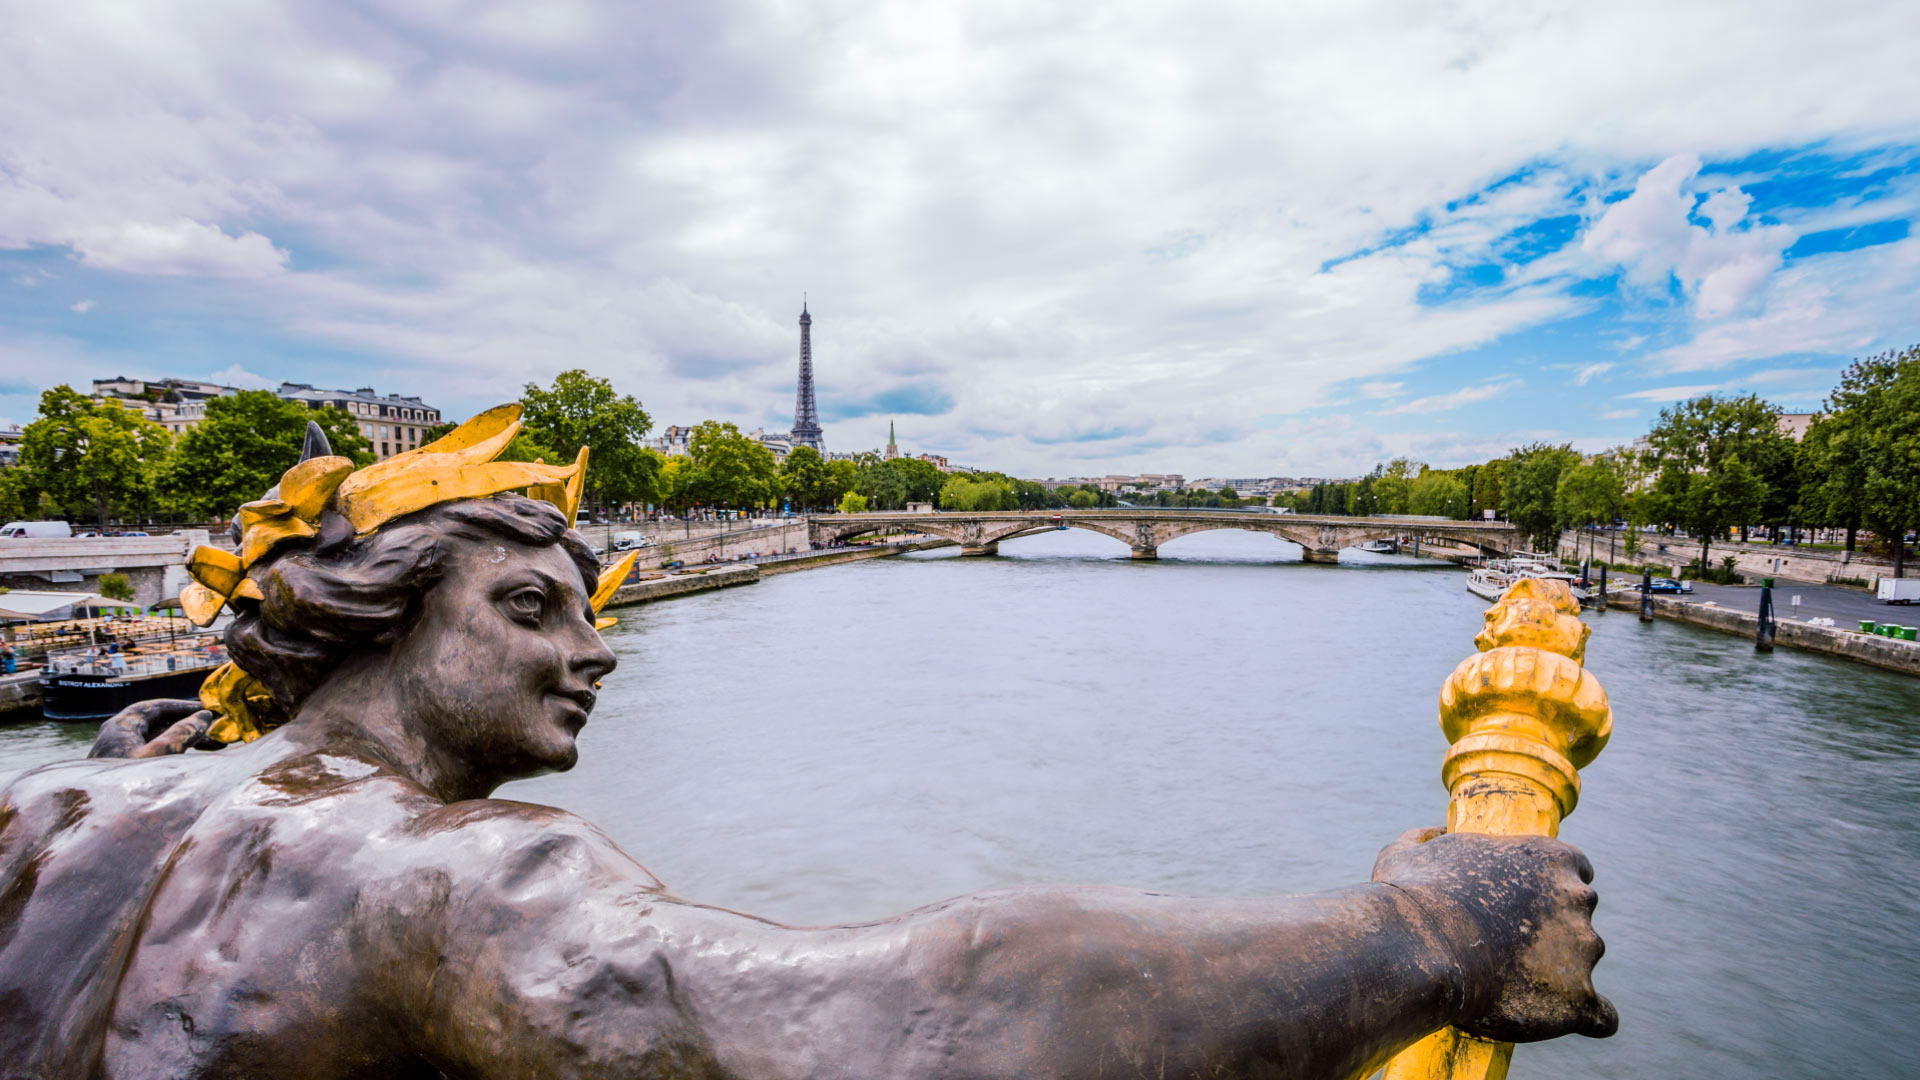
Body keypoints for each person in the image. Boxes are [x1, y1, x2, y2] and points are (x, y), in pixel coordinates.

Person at [7, 418, 1611, 1077]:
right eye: (529, 604)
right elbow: (924, 1018)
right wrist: (1429, 933)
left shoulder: (56, 802)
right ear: (375, 614)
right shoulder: (434, 882)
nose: (596, 642)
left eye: (595, 609)